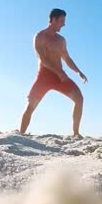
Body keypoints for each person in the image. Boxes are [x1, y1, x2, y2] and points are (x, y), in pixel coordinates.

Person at [20, 9, 88, 137]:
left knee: (79, 98)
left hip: (60, 77)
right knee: (30, 106)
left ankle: (76, 133)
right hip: (44, 76)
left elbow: (67, 58)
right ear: (53, 20)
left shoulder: (61, 40)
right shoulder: (40, 36)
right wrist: (58, 72)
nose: (64, 24)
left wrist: (78, 71)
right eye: (62, 21)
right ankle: (21, 135)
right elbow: (42, 59)